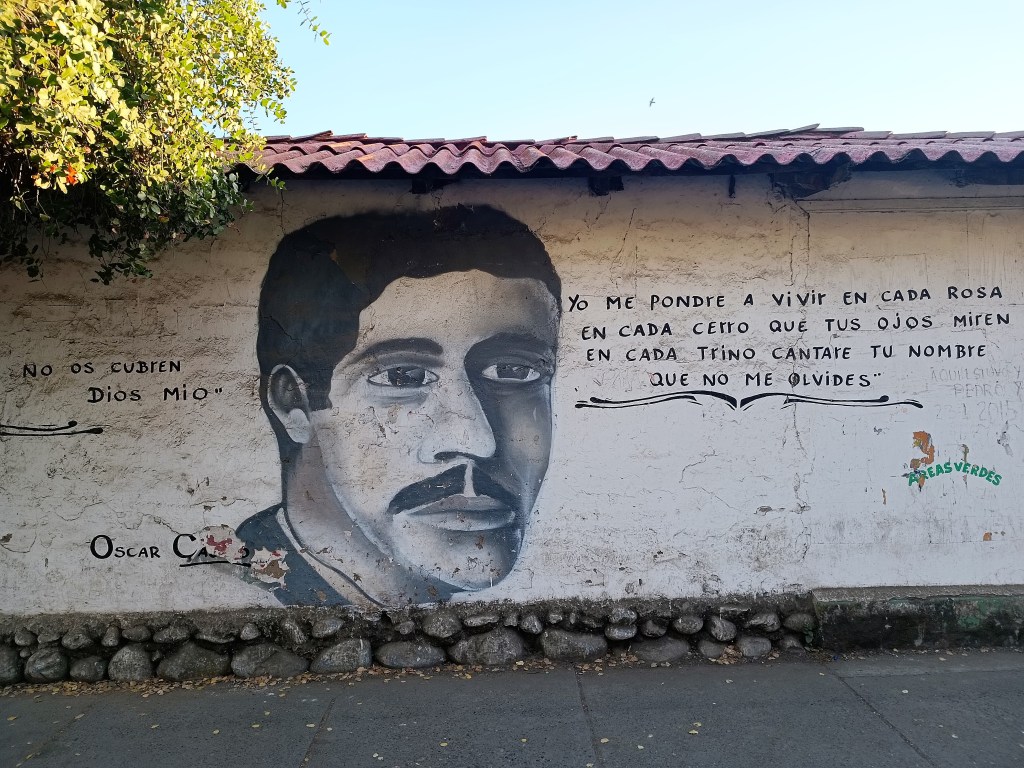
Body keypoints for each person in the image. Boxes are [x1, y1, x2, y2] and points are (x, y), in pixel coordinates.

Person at [237, 205, 562, 608]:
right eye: (401, 378)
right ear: (295, 403)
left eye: (513, 370)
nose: (479, 442)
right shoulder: (230, 587)